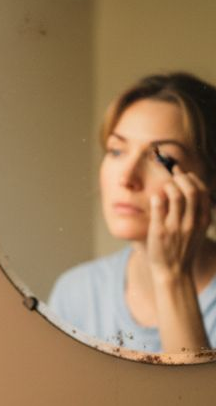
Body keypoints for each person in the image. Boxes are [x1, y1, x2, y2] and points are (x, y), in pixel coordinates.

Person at [48, 72, 216, 355]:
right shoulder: (76, 292)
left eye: (162, 159)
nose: (126, 178)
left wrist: (173, 276)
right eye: (116, 151)